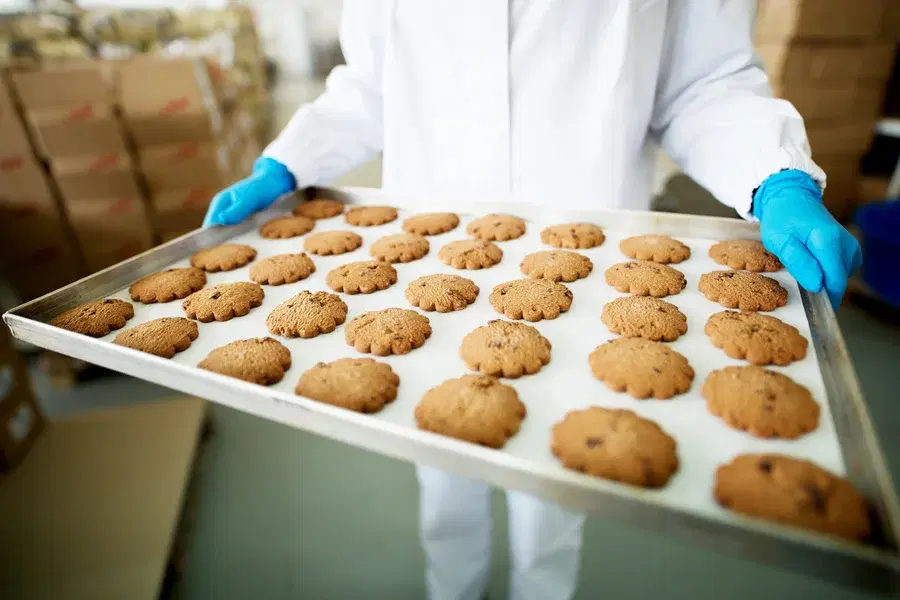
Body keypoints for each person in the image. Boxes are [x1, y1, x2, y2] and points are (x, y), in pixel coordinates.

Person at [204, 2, 862, 599]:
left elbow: (704, 79)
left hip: (594, 267)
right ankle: (451, 587)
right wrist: (290, 160)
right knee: (441, 457)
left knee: (556, 486)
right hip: (427, 261)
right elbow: (370, 86)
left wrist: (773, 173)